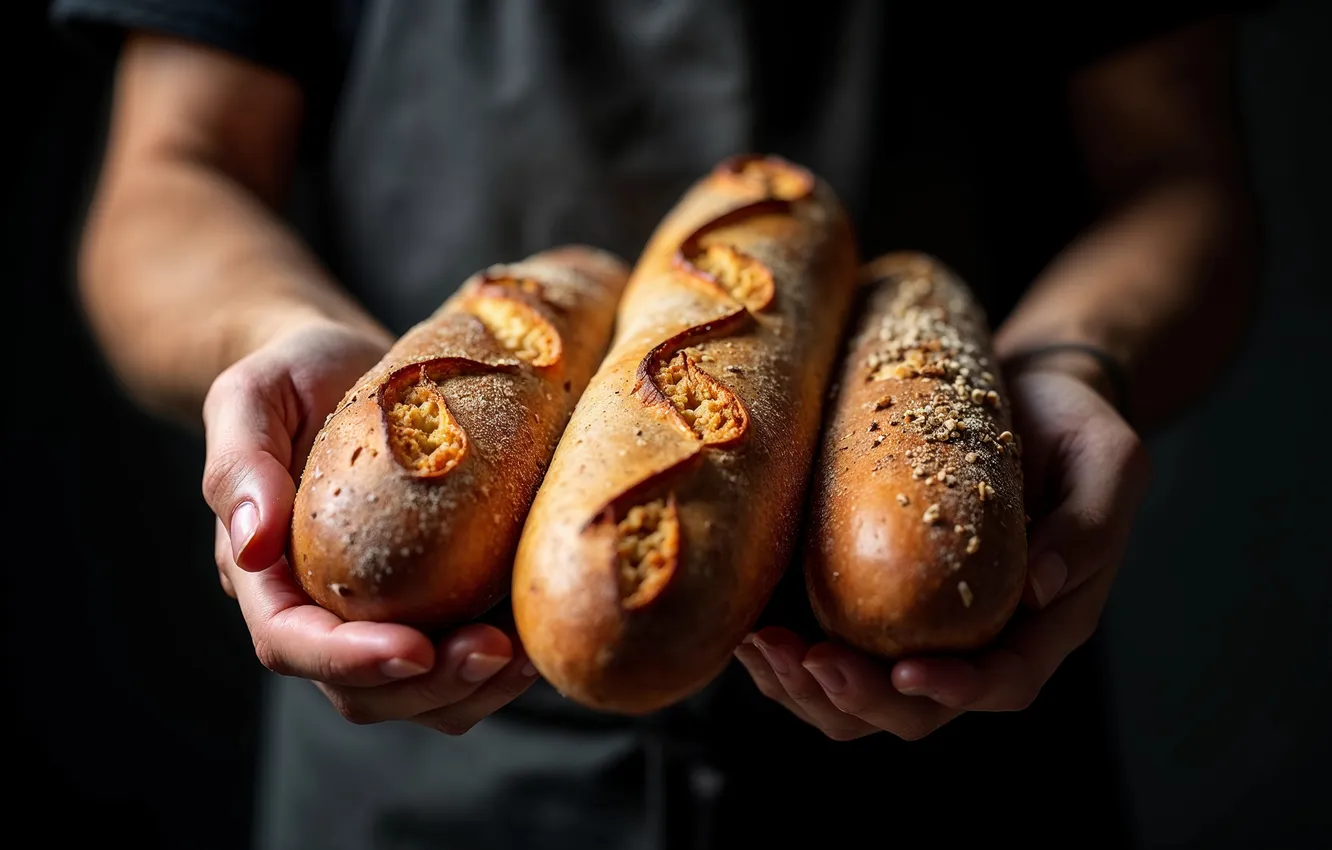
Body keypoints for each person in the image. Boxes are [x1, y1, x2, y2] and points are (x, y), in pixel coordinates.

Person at [54, 1, 1261, 847]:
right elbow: (171, 170)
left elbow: (1180, 173)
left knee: (909, 601)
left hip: (953, 759)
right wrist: (276, 330)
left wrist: (1067, 360)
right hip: (422, 773)